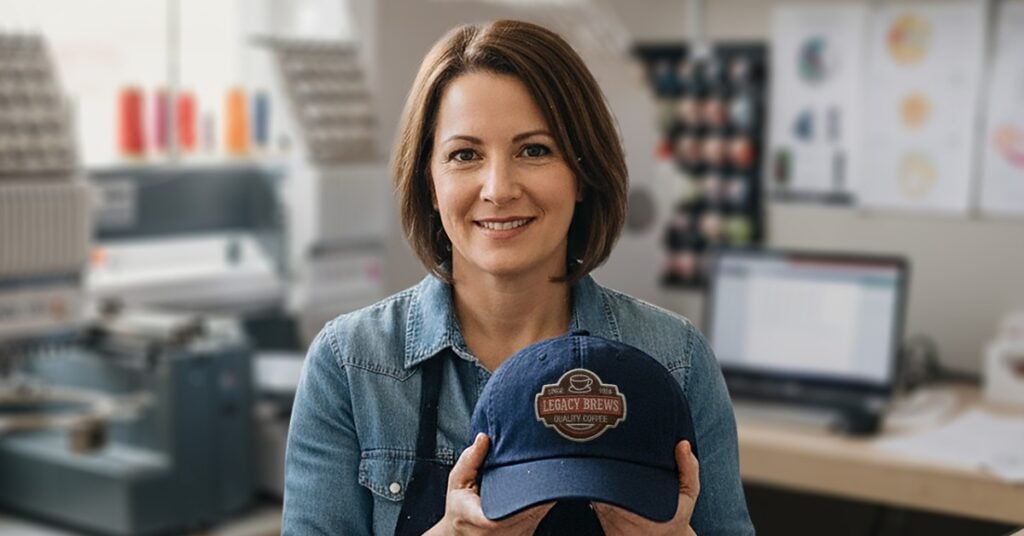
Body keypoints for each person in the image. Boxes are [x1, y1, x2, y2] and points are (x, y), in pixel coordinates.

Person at [282, 19, 754, 535]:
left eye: (534, 150)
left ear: (582, 174)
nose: (498, 188)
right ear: (430, 182)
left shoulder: (676, 360)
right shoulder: (351, 364)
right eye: (465, 155)